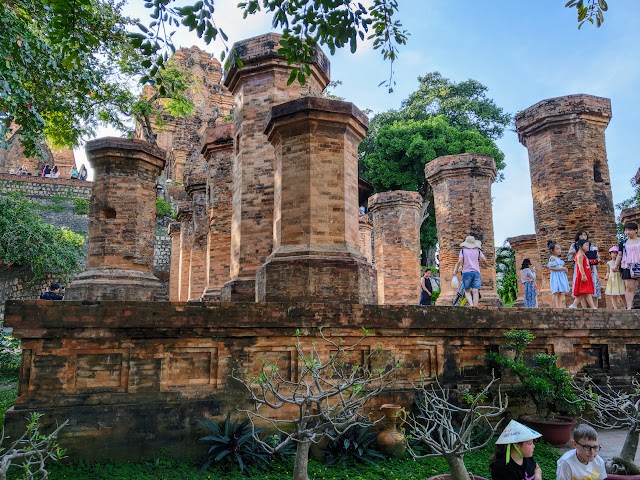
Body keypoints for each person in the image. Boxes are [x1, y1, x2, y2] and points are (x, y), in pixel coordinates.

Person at [568, 230, 601, 307]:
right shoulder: (575, 246)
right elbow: (570, 255)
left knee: (593, 287)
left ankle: (594, 307)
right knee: (583, 288)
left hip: (591, 267)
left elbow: (597, 255)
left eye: (585, 235)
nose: (583, 237)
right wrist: (579, 249)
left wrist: (596, 256)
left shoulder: (590, 245)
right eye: (581, 235)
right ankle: (584, 307)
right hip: (582, 269)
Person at [452, 235, 486, 308]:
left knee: (467, 290)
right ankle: (475, 306)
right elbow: (484, 259)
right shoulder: (478, 250)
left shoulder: (463, 251)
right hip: (476, 272)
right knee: (475, 291)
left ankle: (471, 305)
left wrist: (456, 269)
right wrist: (478, 262)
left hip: (466, 272)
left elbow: (459, 261)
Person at [613, 221, 640, 310]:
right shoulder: (623, 242)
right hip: (627, 266)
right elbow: (620, 255)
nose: (627, 232)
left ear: (636, 230)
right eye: (626, 230)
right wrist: (616, 265)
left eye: (630, 230)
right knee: (629, 287)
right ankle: (629, 307)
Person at [569, 239, 596, 309]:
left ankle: (592, 306)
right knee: (584, 291)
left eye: (588, 245)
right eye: (586, 245)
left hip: (587, 275)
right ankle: (574, 305)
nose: (588, 247)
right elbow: (580, 265)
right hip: (583, 276)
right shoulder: (580, 254)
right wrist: (583, 275)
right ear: (580, 246)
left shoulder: (584, 254)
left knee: (587, 292)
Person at [547, 240, 570, 308]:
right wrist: (561, 269)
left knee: (560, 292)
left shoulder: (558, 259)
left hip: (560, 276)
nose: (559, 250)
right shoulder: (552, 258)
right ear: (552, 250)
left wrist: (564, 269)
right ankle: (556, 307)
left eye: (559, 249)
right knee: (556, 292)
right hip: (555, 277)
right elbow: (551, 268)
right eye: (557, 249)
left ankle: (560, 306)